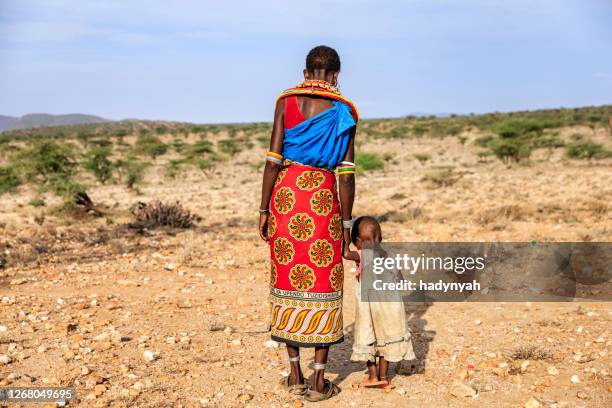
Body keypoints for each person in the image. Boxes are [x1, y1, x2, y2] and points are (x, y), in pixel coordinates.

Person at [258, 45, 359, 402]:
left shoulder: (285, 102)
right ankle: (319, 382)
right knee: (323, 280)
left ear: (305, 74)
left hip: (286, 197)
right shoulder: (345, 111)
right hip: (321, 201)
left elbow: (272, 160)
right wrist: (346, 228)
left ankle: (294, 374)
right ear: (335, 75)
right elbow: (345, 175)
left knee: (286, 277)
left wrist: (264, 209)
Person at [345, 216, 415, 390]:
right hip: (390, 309)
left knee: (370, 337)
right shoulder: (390, 256)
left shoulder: (362, 254)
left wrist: (344, 234)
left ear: (358, 242)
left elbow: (345, 253)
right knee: (386, 341)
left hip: (369, 309)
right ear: (380, 238)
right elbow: (400, 280)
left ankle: (373, 376)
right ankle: (384, 377)